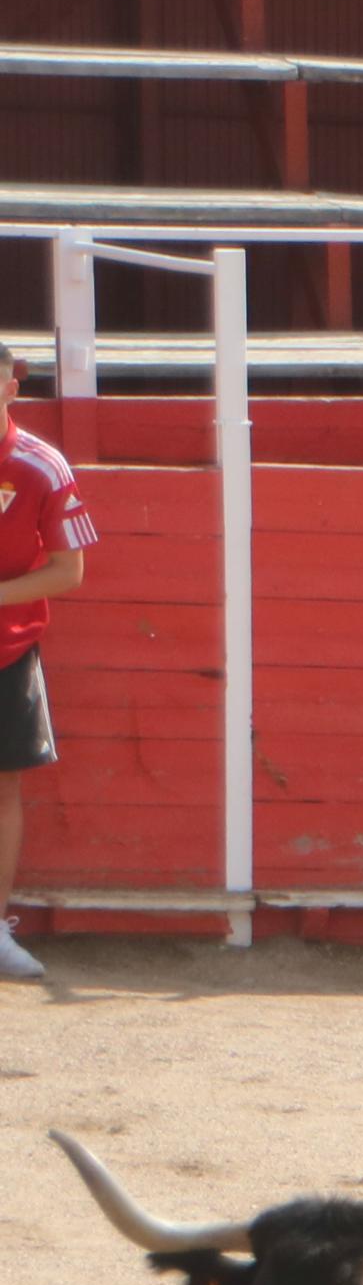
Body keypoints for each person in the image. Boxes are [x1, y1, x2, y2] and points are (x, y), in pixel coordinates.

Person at [0, 353, 92, 982]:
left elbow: (70, 570)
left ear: (11, 384)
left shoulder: (41, 463)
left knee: (2, 789)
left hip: (5, 651)